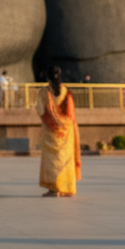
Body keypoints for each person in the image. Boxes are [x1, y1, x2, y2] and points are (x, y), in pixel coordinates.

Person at [36, 66, 81, 197]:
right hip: (66, 132)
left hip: (51, 132)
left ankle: (54, 189)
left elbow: (40, 111)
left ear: (48, 77)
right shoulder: (66, 92)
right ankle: (66, 188)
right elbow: (71, 114)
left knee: (52, 161)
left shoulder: (43, 93)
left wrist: (52, 119)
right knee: (65, 159)